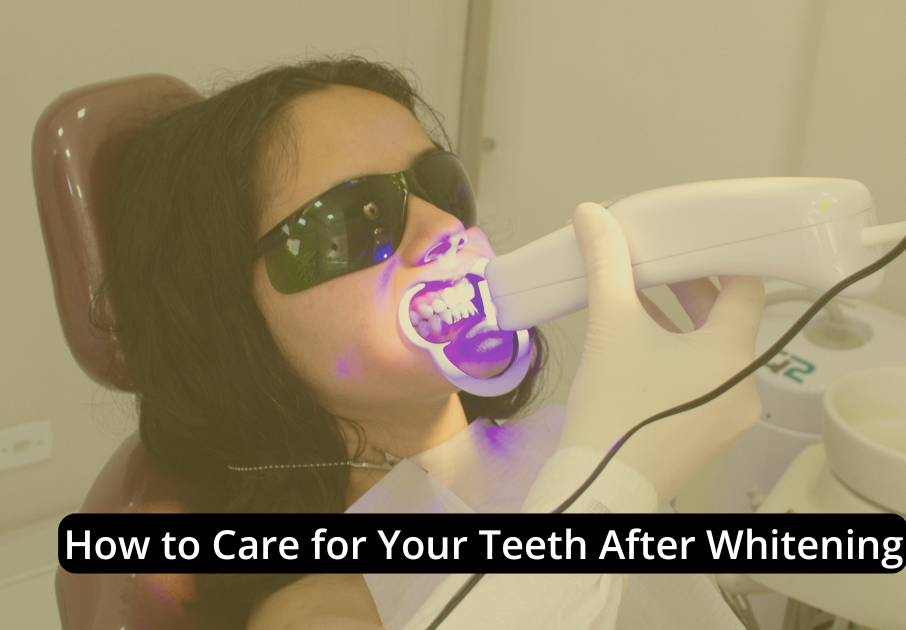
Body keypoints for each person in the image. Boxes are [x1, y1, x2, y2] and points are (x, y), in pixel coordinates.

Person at [101, 56, 764, 629]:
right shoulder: (324, 602)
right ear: (231, 315)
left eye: (439, 185)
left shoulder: (552, 444)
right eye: (357, 217)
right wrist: (622, 483)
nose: (445, 226)